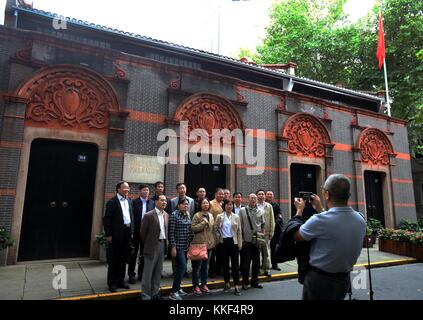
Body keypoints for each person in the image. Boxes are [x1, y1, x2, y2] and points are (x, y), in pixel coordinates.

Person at [293, 174, 366, 300]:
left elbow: (297, 236)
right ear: (348, 195)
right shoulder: (360, 219)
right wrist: (320, 208)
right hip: (343, 280)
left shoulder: (320, 220)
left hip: (319, 281)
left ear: (326, 194)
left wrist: (299, 211)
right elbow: (335, 223)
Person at [103, 181, 134, 292]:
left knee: (123, 259)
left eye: (128, 188)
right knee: (114, 259)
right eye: (124, 188)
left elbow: (131, 217)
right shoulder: (112, 202)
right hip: (116, 234)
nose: (127, 190)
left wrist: (132, 231)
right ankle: (112, 283)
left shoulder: (129, 201)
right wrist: (109, 234)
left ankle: (121, 281)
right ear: (118, 189)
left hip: (127, 233)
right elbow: (107, 219)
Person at [140, 195, 169, 300]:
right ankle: (145, 295)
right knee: (148, 272)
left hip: (162, 245)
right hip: (152, 246)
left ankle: (155, 293)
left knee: (158, 271)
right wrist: (149, 243)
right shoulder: (148, 215)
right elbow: (143, 233)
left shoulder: (166, 215)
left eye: (165, 200)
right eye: (162, 200)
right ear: (156, 202)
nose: (164, 202)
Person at [214, 199, 243, 296]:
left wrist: (239, 244)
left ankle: (236, 286)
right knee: (225, 265)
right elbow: (215, 228)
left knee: (235, 265)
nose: (229, 206)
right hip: (223, 242)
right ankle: (227, 283)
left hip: (233, 242)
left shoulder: (236, 217)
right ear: (224, 206)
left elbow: (239, 231)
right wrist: (218, 238)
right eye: (227, 204)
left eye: (231, 204)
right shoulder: (220, 216)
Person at [128, 184, 155, 284]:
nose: (146, 192)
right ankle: (131, 275)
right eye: (144, 190)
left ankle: (141, 274)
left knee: (145, 254)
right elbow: (131, 217)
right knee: (133, 254)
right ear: (139, 192)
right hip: (136, 233)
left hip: (147, 234)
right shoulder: (134, 202)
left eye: (147, 190)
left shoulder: (151, 203)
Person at [169, 198, 194, 301]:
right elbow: (171, 233)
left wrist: (190, 243)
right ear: (179, 205)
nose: (186, 206)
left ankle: (178, 288)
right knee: (182, 267)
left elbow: (189, 230)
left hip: (186, 246)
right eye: (184, 204)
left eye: (187, 204)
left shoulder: (187, 214)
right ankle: (173, 292)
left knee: (181, 268)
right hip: (178, 246)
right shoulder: (174, 215)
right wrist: (173, 247)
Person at [239, 194, 265, 290]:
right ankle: (245, 282)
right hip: (247, 240)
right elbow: (239, 226)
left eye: (255, 198)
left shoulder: (260, 211)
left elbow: (263, 225)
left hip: (257, 241)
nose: (253, 199)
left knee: (257, 263)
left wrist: (262, 238)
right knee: (246, 263)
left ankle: (255, 282)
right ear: (248, 199)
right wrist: (241, 238)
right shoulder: (242, 210)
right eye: (251, 198)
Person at [191, 198, 215, 297]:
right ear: (200, 205)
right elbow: (193, 228)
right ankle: (196, 286)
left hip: (208, 245)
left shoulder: (211, 215)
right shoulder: (197, 215)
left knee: (205, 267)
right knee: (197, 267)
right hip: (199, 244)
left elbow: (212, 229)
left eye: (207, 203)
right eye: (204, 203)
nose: (206, 204)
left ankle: (204, 284)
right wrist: (203, 223)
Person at [256, 189, 275, 277]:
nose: (261, 195)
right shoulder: (254, 206)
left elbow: (272, 220)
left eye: (262, 194)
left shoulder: (269, 206)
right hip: (257, 233)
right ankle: (258, 268)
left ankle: (266, 269)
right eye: (259, 194)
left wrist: (271, 232)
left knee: (266, 251)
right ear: (257, 196)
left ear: (265, 196)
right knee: (258, 251)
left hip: (266, 233)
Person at [266, 190, 284, 271]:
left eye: (271, 194)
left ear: (273, 196)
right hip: (264, 229)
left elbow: (279, 215)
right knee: (264, 249)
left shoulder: (276, 205)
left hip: (274, 230)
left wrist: (275, 222)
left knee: (273, 248)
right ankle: (264, 265)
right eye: (268, 194)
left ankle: (274, 264)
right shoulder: (263, 205)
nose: (269, 196)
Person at [208, 188, 225, 277]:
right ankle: (212, 271)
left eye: (222, 194)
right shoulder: (211, 203)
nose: (221, 195)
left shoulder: (224, 204)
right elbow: (210, 218)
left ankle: (219, 269)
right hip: (214, 232)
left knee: (221, 253)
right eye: (219, 194)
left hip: (223, 232)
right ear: (215, 194)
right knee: (213, 253)